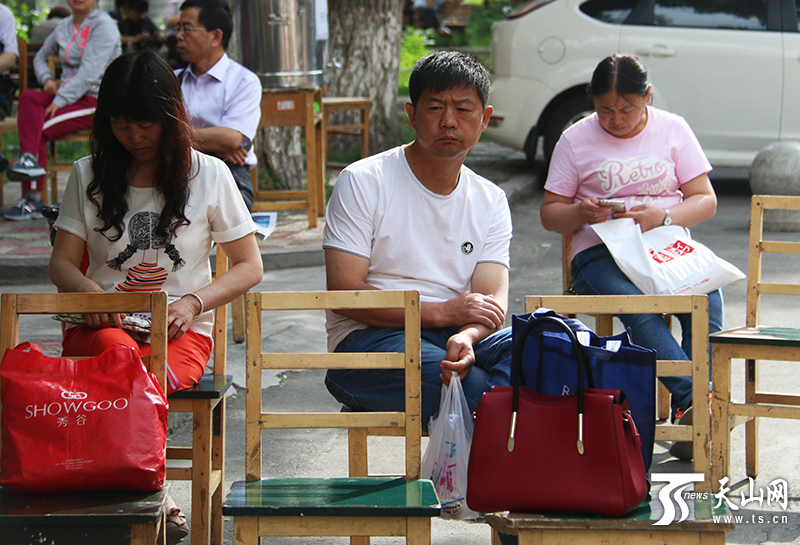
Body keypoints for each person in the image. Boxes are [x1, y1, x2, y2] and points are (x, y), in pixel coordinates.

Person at [48, 50, 263, 544]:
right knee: (120, 357)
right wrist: (91, 294)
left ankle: (127, 494)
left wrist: (193, 303)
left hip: (179, 333)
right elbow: (61, 264)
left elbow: (250, 266)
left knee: (136, 373)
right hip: (99, 328)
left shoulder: (209, 174)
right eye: (121, 126)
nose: (135, 137)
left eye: (145, 124)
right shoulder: (87, 173)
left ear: (171, 116)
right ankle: (151, 494)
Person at [539, 53, 724, 459]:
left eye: (627, 109)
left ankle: (691, 409)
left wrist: (663, 216)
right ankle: (698, 402)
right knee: (639, 306)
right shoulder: (575, 139)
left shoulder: (673, 128)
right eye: (605, 110)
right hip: (600, 253)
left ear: (647, 96)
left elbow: (705, 200)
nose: (616, 119)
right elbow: (550, 214)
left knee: (709, 296)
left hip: (664, 245)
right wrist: (580, 212)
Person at [323, 50, 513, 429]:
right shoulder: (363, 181)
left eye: (463, 109)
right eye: (435, 108)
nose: (448, 121)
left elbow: (492, 300)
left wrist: (467, 334)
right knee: (482, 395)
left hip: (454, 337)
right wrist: (444, 312)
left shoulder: (490, 199)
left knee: (550, 352)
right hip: (368, 342)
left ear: (484, 119)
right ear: (411, 115)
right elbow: (345, 291)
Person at [3, 0, 121, 221]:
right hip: (66, 97)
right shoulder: (64, 25)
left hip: (95, 101)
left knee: (38, 129)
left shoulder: (105, 26)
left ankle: (32, 199)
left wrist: (60, 99)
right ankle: (28, 160)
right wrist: (47, 79)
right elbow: (40, 56)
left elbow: (89, 74)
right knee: (29, 97)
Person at [174, 0, 260, 210]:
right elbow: (157, 132)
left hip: (229, 170)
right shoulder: (172, 80)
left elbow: (232, 139)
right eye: (178, 28)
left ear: (216, 37)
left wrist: (176, 137)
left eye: (187, 29)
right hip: (178, 169)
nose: (178, 36)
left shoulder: (243, 81)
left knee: (230, 213)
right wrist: (216, 143)